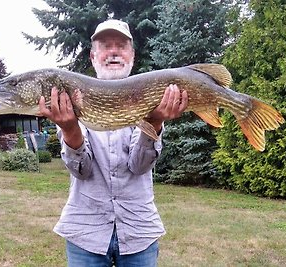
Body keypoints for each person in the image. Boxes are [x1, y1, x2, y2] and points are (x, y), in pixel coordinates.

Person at [39, 19, 188, 267]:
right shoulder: (70, 97)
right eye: (106, 45)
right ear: (93, 55)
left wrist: (155, 122)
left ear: (132, 54)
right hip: (85, 232)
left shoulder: (151, 94)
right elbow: (81, 170)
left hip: (139, 231)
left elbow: (139, 166)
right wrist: (70, 128)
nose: (114, 51)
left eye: (121, 45)